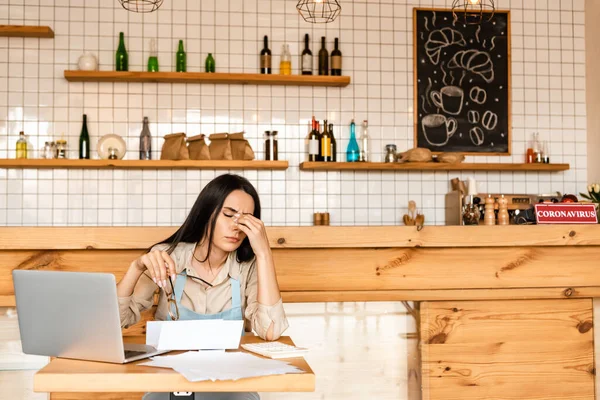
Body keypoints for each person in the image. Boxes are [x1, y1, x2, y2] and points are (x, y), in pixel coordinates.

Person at [117, 174, 288, 400]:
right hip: (170, 380)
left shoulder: (249, 266)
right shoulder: (167, 257)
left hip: (233, 383)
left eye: (246, 220)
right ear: (207, 213)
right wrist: (136, 267)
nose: (237, 227)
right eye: (228, 215)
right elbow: (117, 321)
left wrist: (264, 253)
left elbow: (270, 330)